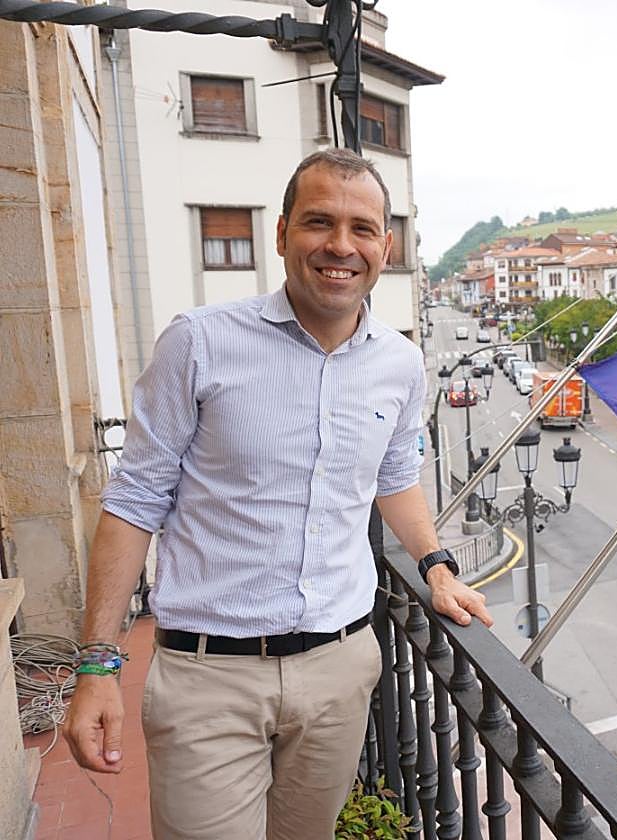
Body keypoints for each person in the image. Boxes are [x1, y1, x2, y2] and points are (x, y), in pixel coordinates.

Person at [64, 149, 492, 840]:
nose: (340, 247)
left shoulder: (400, 363)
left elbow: (394, 480)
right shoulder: (199, 342)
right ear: (283, 232)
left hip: (339, 667)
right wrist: (97, 664)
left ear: (386, 246)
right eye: (319, 222)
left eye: (362, 229)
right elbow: (134, 502)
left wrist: (436, 565)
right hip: (209, 677)